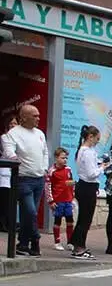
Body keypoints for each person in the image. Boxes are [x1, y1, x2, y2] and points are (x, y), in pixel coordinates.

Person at [1, 105, 49, 257]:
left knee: (28, 215)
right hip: (23, 179)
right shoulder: (12, 134)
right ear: (24, 117)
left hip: (39, 179)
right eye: (35, 116)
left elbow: (45, 152)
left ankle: (22, 244)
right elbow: (9, 152)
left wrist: (45, 169)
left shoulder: (40, 134)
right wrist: (15, 158)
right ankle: (35, 239)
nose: (38, 118)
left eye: (38, 115)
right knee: (31, 212)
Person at [69, 125, 104, 260]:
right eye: (97, 139)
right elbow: (91, 174)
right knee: (85, 220)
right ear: (90, 137)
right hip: (87, 187)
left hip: (84, 186)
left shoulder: (83, 150)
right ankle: (79, 247)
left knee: (83, 218)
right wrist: (102, 167)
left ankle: (76, 243)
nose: (97, 142)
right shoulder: (87, 152)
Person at [44, 147, 75, 250]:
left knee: (70, 221)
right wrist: (51, 201)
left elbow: (71, 183)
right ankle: (57, 242)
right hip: (58, 201)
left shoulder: (68, 169)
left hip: (68, 200)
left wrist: (73, 196)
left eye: (66, 158)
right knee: (57, 221)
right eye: (62, 158)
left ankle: (70, 242)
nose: (65, 160)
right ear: (56, 158)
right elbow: (48, 186)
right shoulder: (52, 171)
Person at [0, 113, 16, 235]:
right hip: (5, 172)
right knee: (4, 199)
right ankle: (3, 224)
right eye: (11, 124)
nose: (13, 125)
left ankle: (11, 223)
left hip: (15, 173)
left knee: (12, 199)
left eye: (15, 123)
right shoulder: (4, 137)